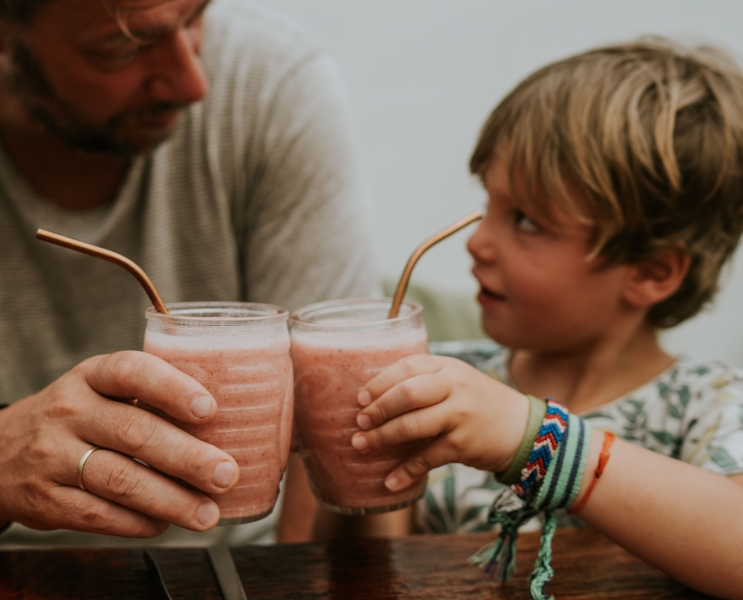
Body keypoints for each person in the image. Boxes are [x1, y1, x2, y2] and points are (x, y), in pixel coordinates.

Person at [0, 0, 377, 550]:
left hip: (239, 570)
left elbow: (322, 411)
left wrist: (286, 587)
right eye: (124, 45)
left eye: (195, 16)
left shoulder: (270, 86)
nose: (194, 83)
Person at [299, 39, 743, 599]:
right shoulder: (447, 381)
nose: (479, 243)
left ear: (652, 271)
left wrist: (533, 437)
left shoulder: (707, 404)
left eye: (528, 221)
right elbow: (360, 572)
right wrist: (352, 447)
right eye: (489, 205)